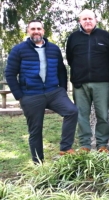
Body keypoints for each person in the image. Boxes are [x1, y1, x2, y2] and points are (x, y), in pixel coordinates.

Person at [5, 20, 78, 163]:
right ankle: (39, 163)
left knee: (72, 111)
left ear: (43, 31)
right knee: (35, 130)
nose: (36, 31)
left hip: (53, 92)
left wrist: (62, 90)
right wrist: (20, 96)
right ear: (28, 31)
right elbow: (10, 74)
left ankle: (65, 148)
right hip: (31, 95)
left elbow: (61, 71)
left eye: (39, 28)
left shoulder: (54, 49)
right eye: (33, 29)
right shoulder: (18, 50)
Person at [66, 10, 109, 153]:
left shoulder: (105, 36)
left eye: (90, 18)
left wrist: (104, 73)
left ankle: (102, 145)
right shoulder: (73, 38)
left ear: (96, 20)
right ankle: (85, 145)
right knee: (82, 115)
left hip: (101, 83)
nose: (87, 21)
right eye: (84, 19)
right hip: (80, 84)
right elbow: (70, 59)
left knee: (103, 115)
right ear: (80, 21)